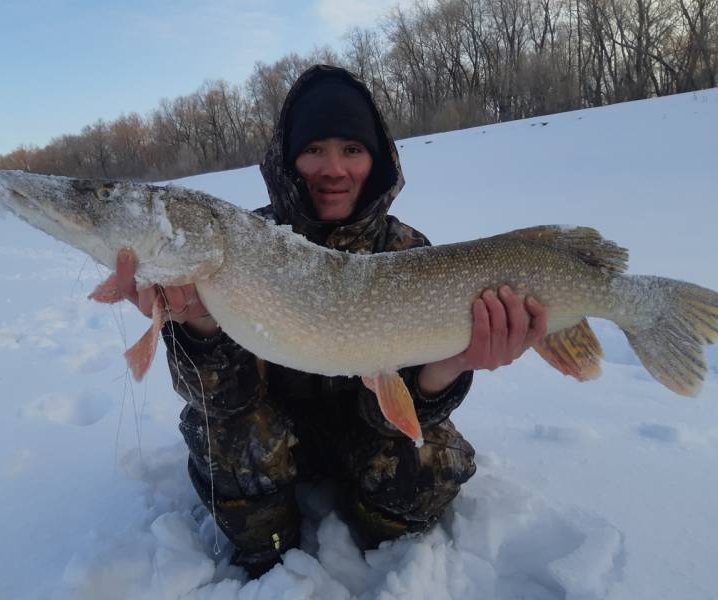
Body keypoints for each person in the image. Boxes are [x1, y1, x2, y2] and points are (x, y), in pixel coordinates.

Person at [114, 65, 548, 577]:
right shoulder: (242, 244)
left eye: (352, 149)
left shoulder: (405, 251)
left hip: (362, 429)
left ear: (377, 160)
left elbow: (399, 407)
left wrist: (455, 362)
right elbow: (217, 401)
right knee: (226, 442)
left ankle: (374, 533)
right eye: (314, 148)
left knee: (432, 461)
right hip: (271, 426)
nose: (333, 168)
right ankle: (271, 556)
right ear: (288, 158)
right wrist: (198, 327)